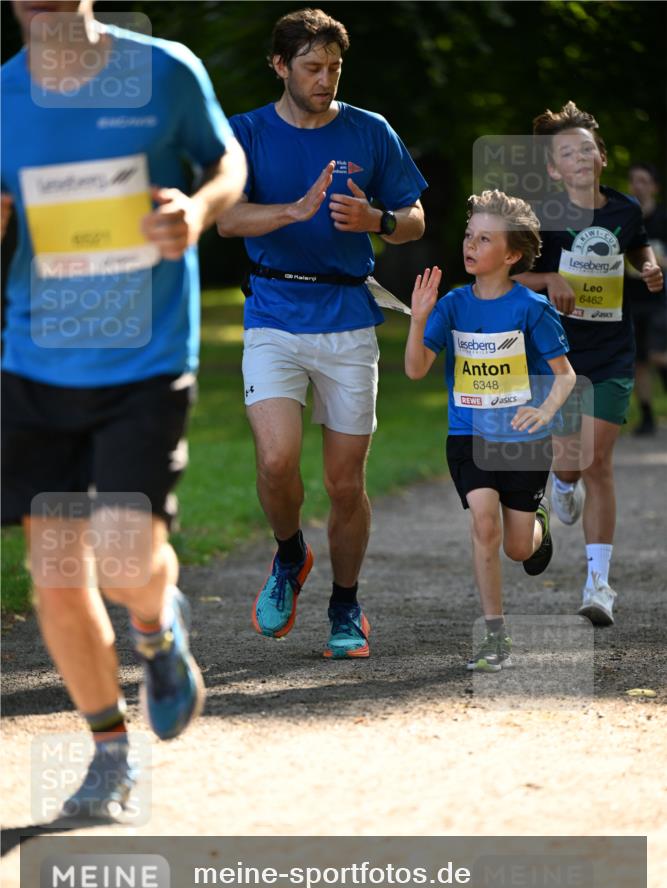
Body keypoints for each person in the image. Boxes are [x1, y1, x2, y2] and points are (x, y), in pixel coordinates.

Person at [1, 0, 246, 818]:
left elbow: (228, 164)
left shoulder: (164, 70)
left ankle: (157, 629)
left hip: (142, 356)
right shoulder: (3, 96)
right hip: (34, 360)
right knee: (58, 578)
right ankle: (111, 756)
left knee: (122, 562)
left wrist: (198, 212)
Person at [217, 8, 426, 658]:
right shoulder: (244, 132)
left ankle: (345, 603)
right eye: (311, 67)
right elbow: (224, 219)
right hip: (273, 313)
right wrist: (293, 211)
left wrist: (379, 219)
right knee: (275, 460)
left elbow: (415, 217)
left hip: (347, 319)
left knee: (344, 483)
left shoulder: (370, 130)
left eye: (333, 67)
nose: (324, 79)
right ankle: (288, 557)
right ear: (280, 66)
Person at [406, 190, 575, 672]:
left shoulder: (531, 308)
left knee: (517, 546)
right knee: (484, 521)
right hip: (469, 434)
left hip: (523, 442)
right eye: (468, 235)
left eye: (485, 238)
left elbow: (564, 376)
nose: (471, 244)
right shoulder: (454, 305)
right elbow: (417, 369)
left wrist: (544, 413)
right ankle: (495, 635)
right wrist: (419, 320)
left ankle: (538, 527)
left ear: (513, 254)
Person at [515, 101, 663, 625]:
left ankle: (599, 584)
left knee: (599, 462)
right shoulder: (543, 216)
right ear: (554, 168)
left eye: (587, 149)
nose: (580, 158)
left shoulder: (624, 211)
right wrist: (548, 280)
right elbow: (508, 278)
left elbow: (640, 249)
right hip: (558, 356)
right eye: (567, 153)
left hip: (611, 353)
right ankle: (560, 482)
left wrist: (648, 269)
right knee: (572, 462)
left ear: (601, 157)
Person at [626, 162, 667, 435]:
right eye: (633, 181)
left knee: (658, 355)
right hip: (630, 298)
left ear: (653, 186)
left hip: (661, 298)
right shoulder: (626, 219)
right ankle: (648, 417)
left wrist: (658, 261)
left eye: (643, 180)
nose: (637, 185)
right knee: (639, 360)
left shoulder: (664, 218)